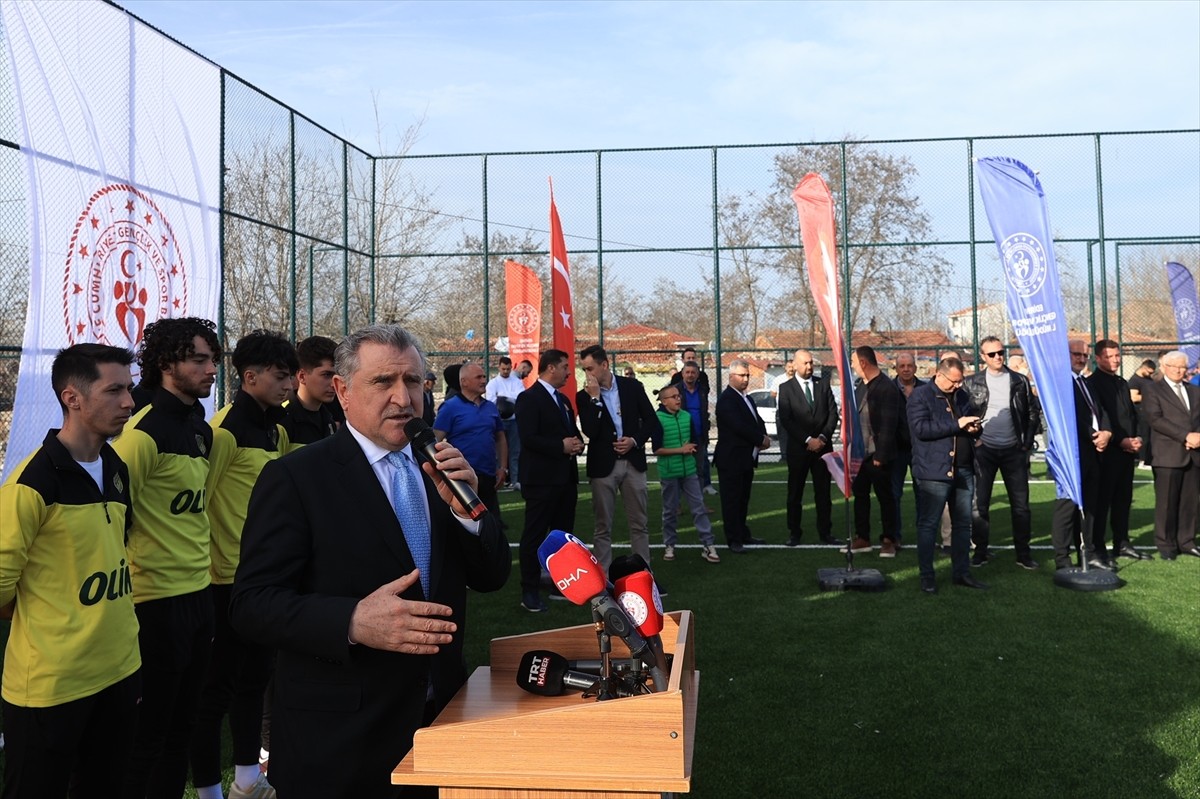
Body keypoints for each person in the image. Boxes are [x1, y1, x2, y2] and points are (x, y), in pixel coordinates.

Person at [228, 324, 510, 799]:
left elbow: (492, 576)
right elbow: (252, 604)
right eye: (383, 382)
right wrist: (352, 621)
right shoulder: (296, 478)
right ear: (342, 391)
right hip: (339, 742)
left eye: (413, 381)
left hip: (441, 724)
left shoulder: (446, 469)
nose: (403, 397)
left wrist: (469, 517)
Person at [1, 344, 141, 797]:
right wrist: (54, 615)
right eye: (114, 391)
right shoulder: (31, 483)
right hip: (52, 685)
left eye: (129, 389)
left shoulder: (116, 467)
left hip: (120, 670)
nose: (129, 402)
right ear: (72, 398)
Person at [111, 316, 222, 799]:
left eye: (212, 359)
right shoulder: (140, 433)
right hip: (154, 603)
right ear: (164, 363)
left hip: (199, 594)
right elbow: (114, 521)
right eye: (198, 360)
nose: (211, 369)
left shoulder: (199, 427)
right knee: (147, 735)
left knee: (183, 727)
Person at [191, 330, 298, 799]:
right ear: (249, 377)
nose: (289, 385)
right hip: (223, 583)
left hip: (262, 578)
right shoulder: (223, 433)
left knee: (255, 681)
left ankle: (247, 781)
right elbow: (201, 504)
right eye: (280, 376)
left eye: (291, 376)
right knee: (215, 690)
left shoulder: (277, 430)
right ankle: (209, 791)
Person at [576, 345, 660, 571]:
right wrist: (595, 399)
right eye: (584, 369)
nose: (587, 374)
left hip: (633, 463)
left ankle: (643, 573)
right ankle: (603, 577)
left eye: (590, 368)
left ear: (604, 365)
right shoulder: (583, 396)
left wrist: (634, 440)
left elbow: (651, 420)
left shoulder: (632, 387)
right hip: (603, 466)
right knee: (602, 525)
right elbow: (590, 431)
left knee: (639, 523)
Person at [907, 357, 986, 593]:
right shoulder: (920, 396)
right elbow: (921, 429)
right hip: (933, 471)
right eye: (954, 381)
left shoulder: (961, 396)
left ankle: (961, 573)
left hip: (963, 468)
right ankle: (927, 577)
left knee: (962, 525)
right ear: (939, 375)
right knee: (929, 525)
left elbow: (964, 423)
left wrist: (974, 428)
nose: (958, 385)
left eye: (960, 381)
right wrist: (958, 424)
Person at [515, 349, 584, 611]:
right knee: (534, 536)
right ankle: (529, 590)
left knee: (563, 537)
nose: (569, 372)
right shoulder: (528, 398)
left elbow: (572, 432)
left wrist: (577, 443)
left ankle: (561, 584)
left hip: (566, 479)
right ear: (551, 367)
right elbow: (528, 437)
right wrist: (560, 446)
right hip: (541, 480)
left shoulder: (563, 399)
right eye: (565, 366)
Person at [963, 336, 1041, 570]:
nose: (998, 357)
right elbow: (961, 414)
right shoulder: (971, 382)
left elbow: (1032, 412)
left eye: (1000, 352)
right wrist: (974, 439)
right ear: (982, 357)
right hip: (984, 451)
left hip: (1014, 451)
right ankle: (981, 552)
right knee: (980, 506)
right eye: (992, 354)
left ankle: (1023, 554)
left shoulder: (1019, 380)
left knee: (1021, 506)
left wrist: (1026, 442)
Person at [1050, 340, 1113, 570]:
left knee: (1090, 507)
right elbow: (1068, 418)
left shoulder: (1085, 382)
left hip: (1093, 453)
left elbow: (1100, 411)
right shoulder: (1060, 383)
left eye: (1085, 355)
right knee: (1067, 507)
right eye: (1076, 354)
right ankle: (1062, 558)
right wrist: (1094, 436)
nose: (1081, 359)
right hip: (1071, 454)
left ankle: (1088, 553)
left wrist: (1107, 432)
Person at [1087, 339, 1150, 561]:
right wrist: (1120, 440)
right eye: (1109, 356)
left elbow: (1132, 415)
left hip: (1127, 452)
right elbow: (1102, 418)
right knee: (1102, 502)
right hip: (1107, 453)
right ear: (1098, 358)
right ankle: (1098, 547)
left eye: (1116, 355)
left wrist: (1138, 438)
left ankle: (1122, 543)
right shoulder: (1092, 384)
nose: (1115, 360)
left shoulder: (1122, 382)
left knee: (1123, 500)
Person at [1141, 350, 1200, 559]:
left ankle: (1186, 541)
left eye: (1182, 366)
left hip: (1194, 454)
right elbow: (1155, 419)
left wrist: (1197, 436)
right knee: (1166, 503)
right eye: (1174, 366)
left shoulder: (1194, 391)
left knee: (1190, 502)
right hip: (1167, 454)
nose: (1178, 370)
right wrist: (1186, 436)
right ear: (1164, 367)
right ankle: (1166, 544)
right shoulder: (1152, 389)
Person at [652, 383, 720, 563]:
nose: (678, 399)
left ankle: (708, 545)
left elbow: (694, 442)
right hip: (669, 472)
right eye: (674, 397)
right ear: (664, 401)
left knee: (699, 508)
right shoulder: (657, 419)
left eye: (679, 396)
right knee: (670, 511)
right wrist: (680, 450)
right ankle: (669, 545)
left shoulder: (686, 416)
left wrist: (691, 449)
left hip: (689, 470)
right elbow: (657, 449)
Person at [777, 349, 838, 546]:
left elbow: (833, 414)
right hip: (798, 450)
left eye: (811, 362)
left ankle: (825, 532)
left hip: (823, 449)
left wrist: (822, 438)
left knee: (823, 493)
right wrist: (807, 440)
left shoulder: (823, 384)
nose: (809, 366)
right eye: (805, 363)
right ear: (794, 365)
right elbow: (786, 419)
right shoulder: (785, 388)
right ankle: (794, 533)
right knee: (795, 493)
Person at [434, 362, 507, 522]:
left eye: (484, 377)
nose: (484, 381)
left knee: (492, 525)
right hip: (463, 478)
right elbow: (435, 441)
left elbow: (500, 438)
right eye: (478, 377)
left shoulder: (490, 407)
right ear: (464, 382)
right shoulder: (450, 407)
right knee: (466, 524)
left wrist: (502, 467)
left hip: (488, 476)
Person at [846, 346, 902, 556]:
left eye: (854, 362)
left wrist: (881, 455)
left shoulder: (887, 387)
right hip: (859, 454)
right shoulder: (860, 385)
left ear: (863, 363)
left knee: (885, 498)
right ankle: (862, 537)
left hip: (878, 455)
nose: (852, 366)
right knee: (860, 496)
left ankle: (889, 539)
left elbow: (889, 424)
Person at [713, 359, 770, 553]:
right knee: (732, 500)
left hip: (745, 458)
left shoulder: (747, 399)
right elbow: (738, 426)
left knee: (743, 499)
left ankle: (743, 533)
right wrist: (760, 439)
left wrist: (763, 436)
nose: (745, 379)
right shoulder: (727, 400)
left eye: (747, 375)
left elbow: (756, 421)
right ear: (731, 377)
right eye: (741, 375)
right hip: (731, 459)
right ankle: (734, 539)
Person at [891, 352, 924, 546]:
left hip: (921, 450)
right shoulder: (889, 389)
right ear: (896, 368)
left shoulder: (926, 389)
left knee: (923, 494)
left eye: (909, 365)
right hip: (896, 451)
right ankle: (895, 536)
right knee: (894, 494)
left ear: (915, 368)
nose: (906, 369)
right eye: (902, 366)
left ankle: (924, 535)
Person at [281, 335, 339, 445]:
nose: (334, 384)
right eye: (326, 375)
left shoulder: (329, 421)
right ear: (302, 376)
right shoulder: (282, 420)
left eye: (337, 376)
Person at [671, 360, 715, 494]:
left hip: (699, 436)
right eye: (687, 372)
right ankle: (676, 502)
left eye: (693, 372)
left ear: (697, 374)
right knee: (678, 471)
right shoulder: (675, 391)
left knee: (699, 470)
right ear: (682, 374)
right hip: (681, 437)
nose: (690, 375)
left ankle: (699, 501)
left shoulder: (702, 390)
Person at [485, 356, 526, 490]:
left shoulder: (517, 382)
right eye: (503, 369)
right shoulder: (493, 383)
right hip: (499, 421)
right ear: (499, 367)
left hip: (513, 420)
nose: (506, 371)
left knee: (515, 451)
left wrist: (503, 397)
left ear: (511, 368)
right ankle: (498, 480)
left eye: (508, 369)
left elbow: (521, 397)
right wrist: (508, 398)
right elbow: (491, 400)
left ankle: (515, 480)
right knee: (498, 452)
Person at [1127, 358, 1157, 466]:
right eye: (1149, 372)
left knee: (1151, 436)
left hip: (1150, 411)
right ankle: (1142, 460)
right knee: (1144, 436)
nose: (1150, 374)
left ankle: (1148, 459)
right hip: (1140, 412)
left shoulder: (1149, 379)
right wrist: (1149, 397)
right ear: (1143, 368)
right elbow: (1133, 397)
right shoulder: (1134, 380)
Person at [769, 357, 797, 457]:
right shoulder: (779, 380)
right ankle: (784, 455)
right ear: (785, 367)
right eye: (789, 367)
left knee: (796, 434)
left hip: (796, 411)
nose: (791, 369)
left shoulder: (798, 379)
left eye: (792, 367)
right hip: (782, 411)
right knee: (783, 434)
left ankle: (796, 455)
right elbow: (773, 393)